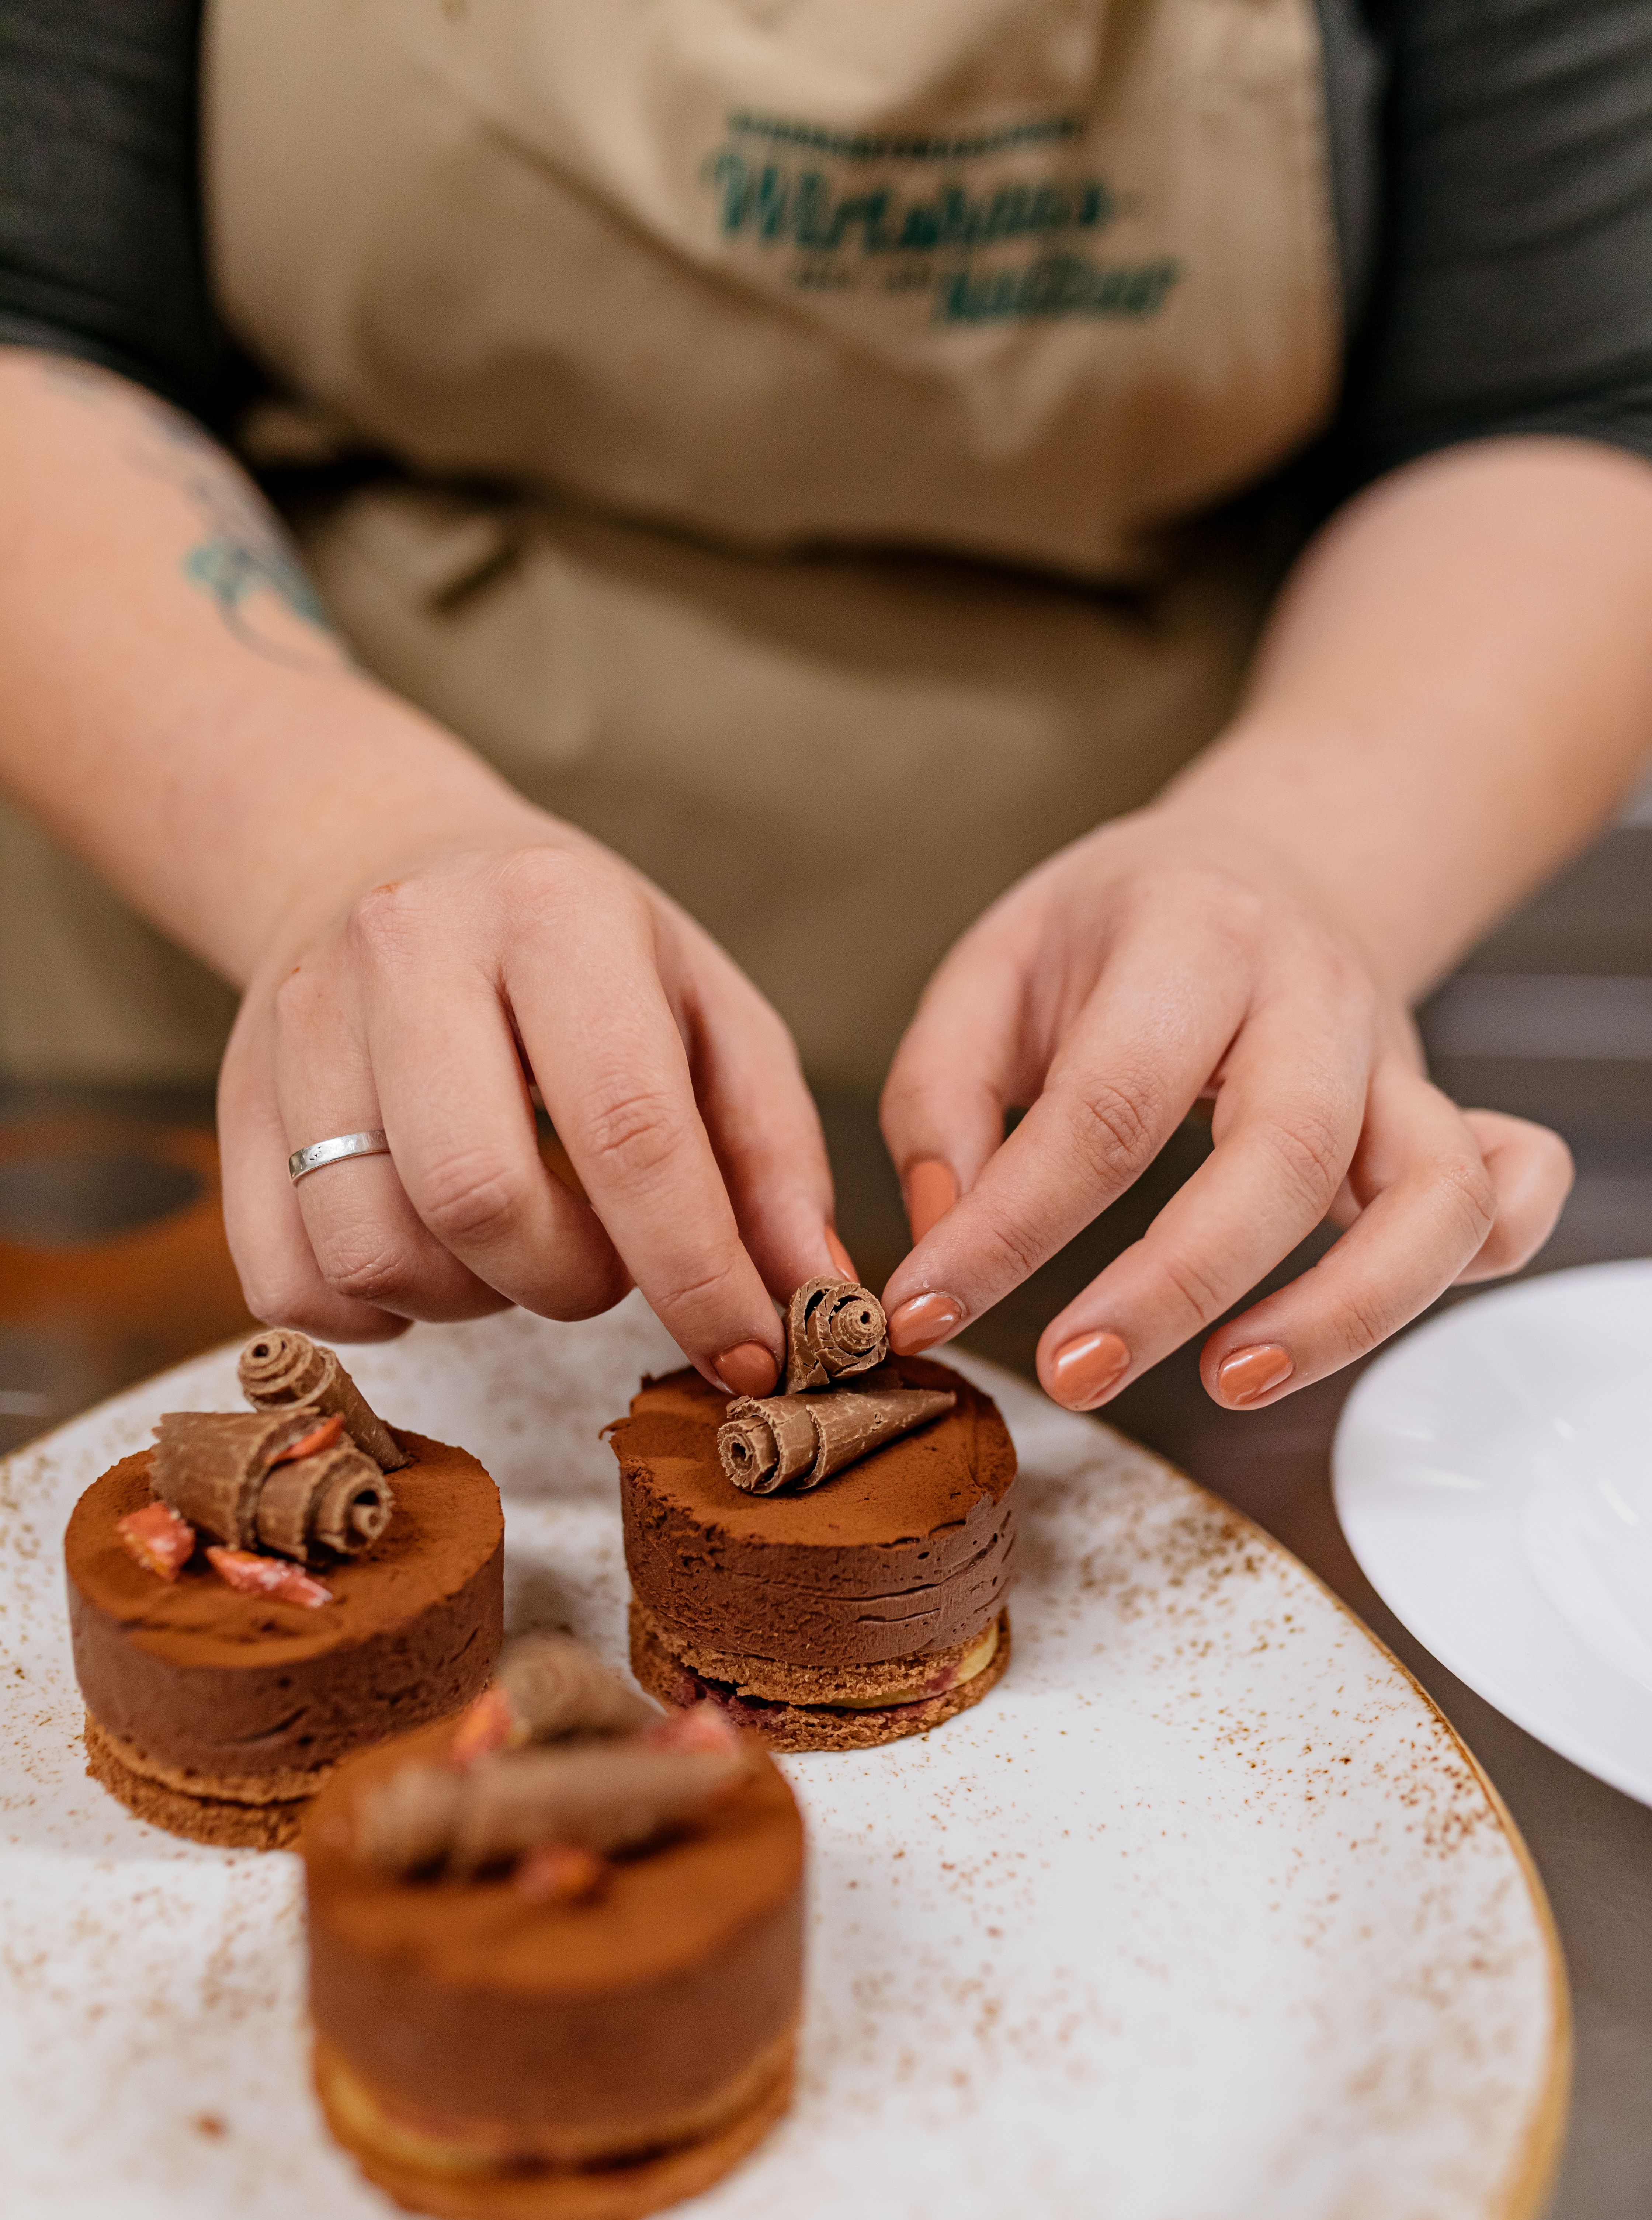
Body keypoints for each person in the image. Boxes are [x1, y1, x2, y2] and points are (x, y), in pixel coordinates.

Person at [1, 0, 1648, 1417]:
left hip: (1133, 1087)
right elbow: (35, 318)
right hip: (273, 970)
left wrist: (1305, 861)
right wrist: (334, 842)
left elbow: (1566, 406)